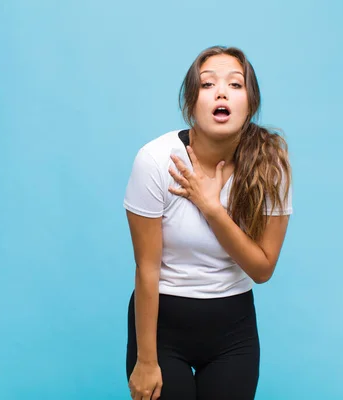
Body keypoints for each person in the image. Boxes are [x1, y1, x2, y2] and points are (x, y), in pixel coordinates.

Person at [122, 45, 293, 400]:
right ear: (190, 103)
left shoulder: (270, 163)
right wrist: (146, 360)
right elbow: (147, 268)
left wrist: (211, 207)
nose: (221, 92)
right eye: (207, 84)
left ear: (251, 101)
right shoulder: (155, 160)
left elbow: (262, 269)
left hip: (233, 331)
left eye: (235, 84)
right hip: (162, 327)